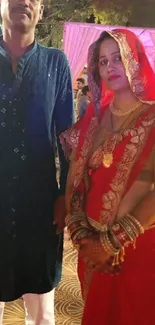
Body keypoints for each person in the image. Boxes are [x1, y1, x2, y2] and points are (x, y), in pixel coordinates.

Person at [60, 29, 155, 325]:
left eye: (118, 57)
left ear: (136, 60)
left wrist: (113, 241)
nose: (110, 67)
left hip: (138, 248)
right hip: (91, 250)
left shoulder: (152, 118)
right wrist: (81, 236)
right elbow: (76, 178)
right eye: (102, 61)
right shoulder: (96, 118)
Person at [0, 0, 74, 324]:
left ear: (41, 11)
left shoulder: (55, 63)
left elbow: (67, 138)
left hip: (41, 210)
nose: (24, 1)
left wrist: (65, 195)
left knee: (42, 314)